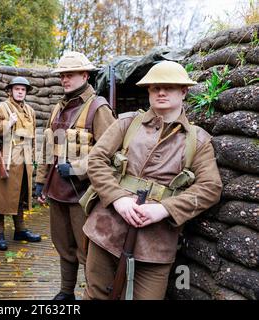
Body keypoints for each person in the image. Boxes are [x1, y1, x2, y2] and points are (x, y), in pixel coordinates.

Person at [82, 61, 223, 300]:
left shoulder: (198, 140)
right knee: (95, 295)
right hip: (107, 227)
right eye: (155, 87)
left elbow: (210, 188)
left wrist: (164, 209)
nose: (161, 92)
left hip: (157, 242)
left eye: (169, 87)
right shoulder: (127, 123)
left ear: (184, 92)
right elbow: (96, 160)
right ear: (148, 91)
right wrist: (118, 199)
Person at [35, 51, 116, 300]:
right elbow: (48, 147)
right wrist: (40, 181)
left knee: (87, 249)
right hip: (57, 189)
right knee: (63, 245)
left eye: (70, 74)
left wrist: (79, 168)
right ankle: (66, 291)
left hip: (85, 193)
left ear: (85, 74)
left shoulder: (98, 108)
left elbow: (112, 151)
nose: (64, 79)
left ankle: (92, 294)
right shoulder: (58, 108)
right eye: (62, 75)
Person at [0, 77, 41, 251]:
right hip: (6, 158)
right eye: (16, 89)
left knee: (20, 195)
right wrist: (7, 123)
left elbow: (31, 136)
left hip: (25, 159)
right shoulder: (1, 108)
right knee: (1, 197)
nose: (20, 92)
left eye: (23, 90)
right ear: (10, 91)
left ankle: (20, 230)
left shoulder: (30, 111)